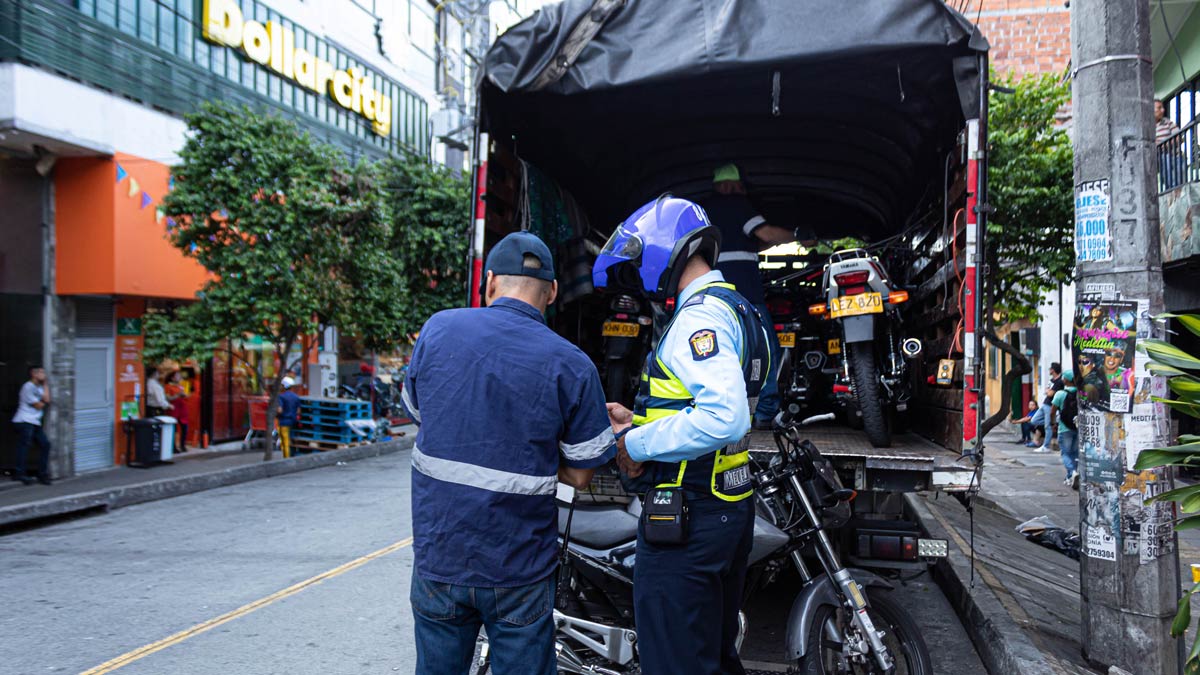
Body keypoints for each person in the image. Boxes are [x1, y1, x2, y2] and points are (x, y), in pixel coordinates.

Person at [402, 231, 616, 675]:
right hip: (518, 569)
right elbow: (580, 476)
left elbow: (424, 413)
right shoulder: (572, 364)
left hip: (440, 558)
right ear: (553, 292)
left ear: (490, 280)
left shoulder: (439, 329)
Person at [595, 196, 771, 675]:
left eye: (636, 265)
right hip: (727, 509)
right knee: (711, 658)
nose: (636, 278)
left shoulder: (698, 318)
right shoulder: (738, 308)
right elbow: (704, 407)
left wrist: (636, 442)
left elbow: (724, 417)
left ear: (660, 250)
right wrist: (641, 421)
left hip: (688, 519)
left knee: (674, 663)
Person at [699, 164, 798, 430]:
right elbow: (765, 234)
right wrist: (798, 235)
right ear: (730, 186)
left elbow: (755, 242)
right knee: (764, 349)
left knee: (720, 350)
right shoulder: (737, 205)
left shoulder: (706, 211)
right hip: (745, 293)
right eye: (732, 184)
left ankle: (714, 410)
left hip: (714, 293)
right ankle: (765, 412)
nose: (733, 189)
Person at [11, 366, 52, 485]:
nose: (43, 374)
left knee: (45, 445)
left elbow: (47, 400)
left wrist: (45, 385)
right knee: (24, 446)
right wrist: (43, 399)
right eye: (41, 372)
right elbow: (38, 405)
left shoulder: (39, 387)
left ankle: (42, 474)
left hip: (34, 422)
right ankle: (19, 473)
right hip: (23, 421)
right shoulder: (27, 387)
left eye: (44, 372)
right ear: (33, 374)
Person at [1051, 371, 1080, 489]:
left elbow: (1052, 411)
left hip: (1064, 428)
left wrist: (1052, 423)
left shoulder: (1060, 394)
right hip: (1078, 427)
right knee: (1074, 452)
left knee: (1065, 453)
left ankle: (1073, 472)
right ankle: (1070, 476)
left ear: (1065, 380)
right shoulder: (1081, 393)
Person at [1033, 362, 1064, 452]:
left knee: (1047, 427)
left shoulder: (1059, 382)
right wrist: (1048, 391)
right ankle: (1052, 422)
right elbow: (1047, 390)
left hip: (1051, 405)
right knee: (1034, 420)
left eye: (1050, 369)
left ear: (1053, 370)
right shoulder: (1052, 380)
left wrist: (1048, 391)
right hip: (1045, 403)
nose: (1049, 370)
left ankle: (1046, 446)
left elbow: (1050, 393)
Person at [1156, 99, 1181, 190]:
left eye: (1162, 107)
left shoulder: (1168, 123)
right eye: (1159, 108)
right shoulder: (1148, 127)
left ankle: (1173, 189)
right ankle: (1170, 189)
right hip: (1160, 159)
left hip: (1174, 156)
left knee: (1166, 158)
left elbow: (1179, 138)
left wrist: (1163, 145)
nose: (1163, 110)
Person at [165, 370, 190, 454]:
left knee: (185, 428)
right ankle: (173, 447)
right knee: (173, 430)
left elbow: (186, 396)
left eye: (180, 375)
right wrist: (178, 395)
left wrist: (185, 395)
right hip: (173, 410)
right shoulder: (168, 386)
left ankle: (183, 445)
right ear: (172, 378)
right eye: (177, 376)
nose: (179, 377)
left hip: (182, 410)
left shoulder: (181, 386)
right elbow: (168, 398)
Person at [277, 377, 301, 459]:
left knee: (285, 442)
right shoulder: (296, 397)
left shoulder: (281, 397)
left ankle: (286, 458)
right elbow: (298, 411)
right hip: (293, 421)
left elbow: (279, 410)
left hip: (284, 422)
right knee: (292, 440)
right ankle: (293, 454)